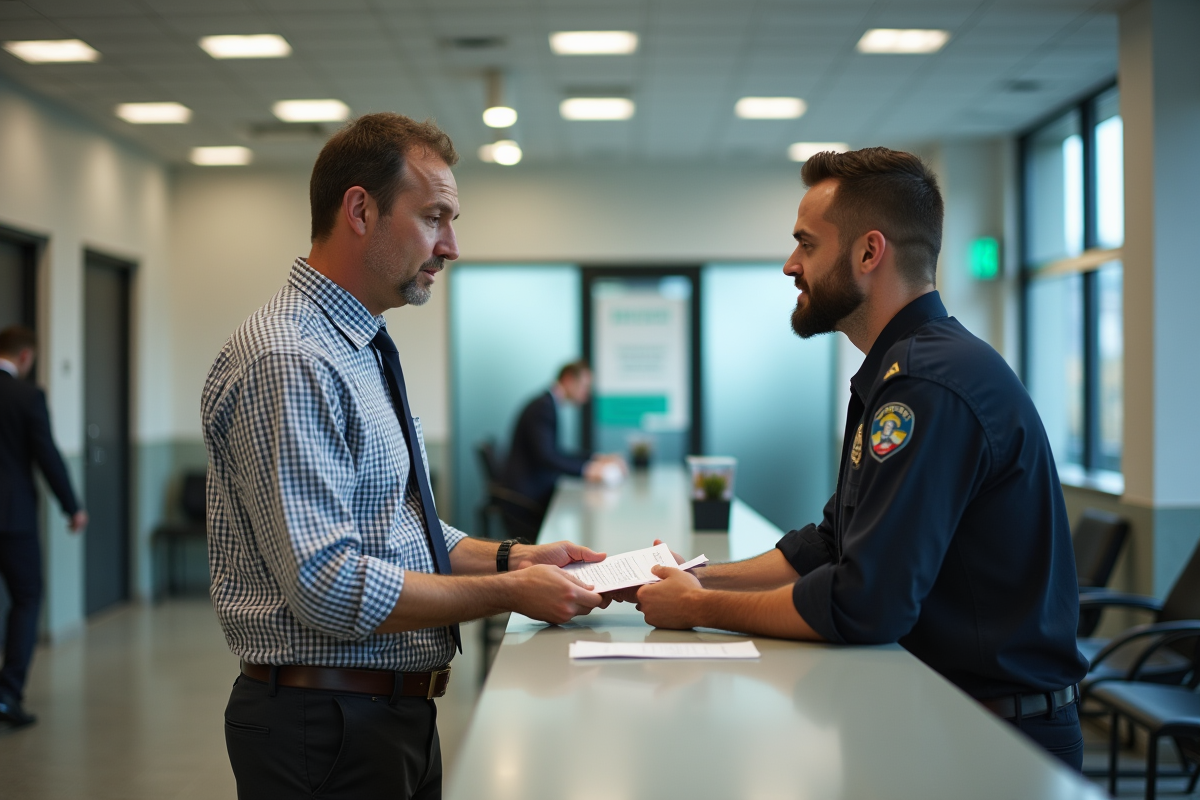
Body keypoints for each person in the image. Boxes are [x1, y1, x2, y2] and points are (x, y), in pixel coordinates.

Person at [626, 148, 1089, 769]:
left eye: (807, 245)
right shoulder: (902, 372)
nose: (791, 264)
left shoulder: (927, 384)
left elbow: (866, 603)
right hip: (946, 718)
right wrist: (697, 575)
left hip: (994, 742)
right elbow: (827, 546)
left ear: (870, 253)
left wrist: (700, 609)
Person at [203, 113, 607, 799]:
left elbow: (401, 532)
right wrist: (510, 593)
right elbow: (328, 586)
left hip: (386, 715)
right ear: (360, 209)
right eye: (433, 218)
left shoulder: (356, 349)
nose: (450, 246)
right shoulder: (291, 358)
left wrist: (517, 558)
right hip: (325, 728)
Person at [0, 325, 88, 728]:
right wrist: (72, 507)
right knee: (26, 599)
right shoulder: (27, 396)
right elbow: (47, 456)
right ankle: (7, 694)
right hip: (13, 521)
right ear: (24, 357)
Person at [503, 361, 626, 527]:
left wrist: (597, 459)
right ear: (568, 379)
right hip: (527, 498)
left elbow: (555, 452)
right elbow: (546, 457)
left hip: (533, 490)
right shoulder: (543, 407)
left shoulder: (547, 403)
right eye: (584, 386)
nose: (586, 394)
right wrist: (587, 470)